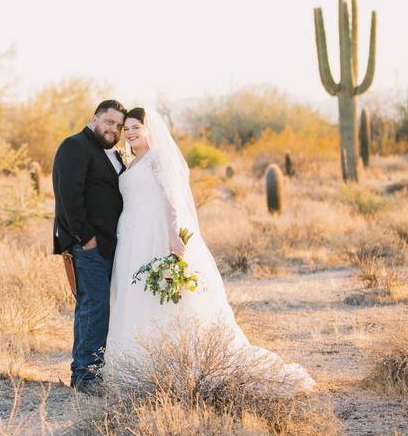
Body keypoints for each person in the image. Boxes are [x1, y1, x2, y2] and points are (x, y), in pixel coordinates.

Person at [106, 106, 314, 392]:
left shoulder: (158, 156)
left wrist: (173, 235)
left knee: (166, 297)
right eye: (126, 129)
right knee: (137, 294)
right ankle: (138, 363)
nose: (129, 133)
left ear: (148, 130)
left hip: (155, 232)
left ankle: (171, 360)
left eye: (135, 128)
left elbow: (172, 199)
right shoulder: (130, 162)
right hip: (131, 236)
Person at [52, 100, 128, 393]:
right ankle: (84, 375)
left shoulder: (113, 154)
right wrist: (86, 238)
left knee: (100, 306)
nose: (113, 129)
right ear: (95, 118)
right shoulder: (74, 146)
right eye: (109, 122)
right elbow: (68, 196)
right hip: (89, 245)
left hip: (113, 244)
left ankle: (95, 370)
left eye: (119, 126)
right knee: (93, 305)